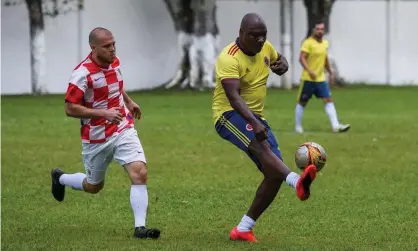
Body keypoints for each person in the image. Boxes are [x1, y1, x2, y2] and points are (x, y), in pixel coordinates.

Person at [212, 13, 318, 243]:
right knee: (264, 151)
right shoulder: (229, 58)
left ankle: (243, 228)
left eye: (263, 36)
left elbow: (280, 59)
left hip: (255, 117)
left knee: (273, 173)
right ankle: (296, 181)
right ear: (241, 33)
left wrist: (284, 65)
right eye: (254, 36)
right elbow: (234, 98)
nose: (260, 41)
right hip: (229, 116)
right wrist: (255, 122)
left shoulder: (265, 48)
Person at [50, 27, 160, 239]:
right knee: (93, 186)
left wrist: (128, 102)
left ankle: (140, 229)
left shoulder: (114, 62)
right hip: (96, 137)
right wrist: (102, 113)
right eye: (107, 46)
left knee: (140, 172)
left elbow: (115, 85)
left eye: (114, 44)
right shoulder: (82, 74)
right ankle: (60, 178)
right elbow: (70, 108)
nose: (112, 50)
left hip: (122, 126)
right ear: (93, 48)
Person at [295, 20, 350, 133]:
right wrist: (309, 70)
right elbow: (302, 58)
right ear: (314, 30)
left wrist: (330, 72)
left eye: (322, 29)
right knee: (302, 102)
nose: (320, 31)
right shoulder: (308, 43)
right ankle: (298, 126)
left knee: (328, 99)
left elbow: (324, 59)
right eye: (318, 29)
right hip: (308, 79)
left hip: (320, 79)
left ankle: (336, 126)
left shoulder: (325, 43)